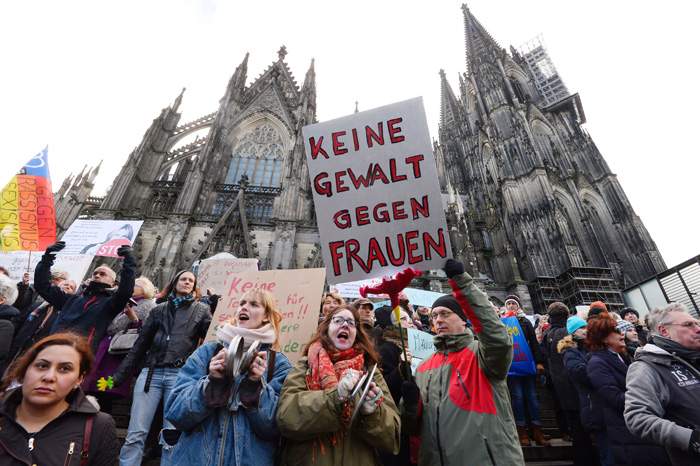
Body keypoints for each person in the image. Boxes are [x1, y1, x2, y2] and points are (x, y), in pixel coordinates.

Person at [402, 259, 524, 465]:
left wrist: (463, 283)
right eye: (434, 316)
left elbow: (497, 336)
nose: (438, 320)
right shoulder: (423, 368)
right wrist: (410, 406)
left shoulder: (482, 356)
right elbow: (413, 428)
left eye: (445, 314)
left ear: (463, 318)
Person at [163, 289, 292, 465]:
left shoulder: (278, 364)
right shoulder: (207, 352)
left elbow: (275, 428)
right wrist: (211, 384)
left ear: (266, 317)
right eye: (241, 303)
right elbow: (175, 413)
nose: (244, 308)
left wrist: (256, 388)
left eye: (254, 304)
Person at [276, 304, 400, 465]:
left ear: (356, 333)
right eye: (338, 320)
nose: (345, 324)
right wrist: (335, 398)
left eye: (351, 322)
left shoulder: (370, 371)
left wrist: (372, 414)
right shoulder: (306, 365)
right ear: (326, 329)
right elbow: (286, 417)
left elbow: (393, 438)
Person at [112, 270, 212, 466]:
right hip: (151, 373)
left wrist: (217, 306)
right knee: (136, 431)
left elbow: (211, 337)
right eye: (184, 279)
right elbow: (140, 345)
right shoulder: (158, 310)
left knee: (171, 434)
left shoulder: (201, 310)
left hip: (179, 376)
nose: (187, 282)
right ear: (175, 283)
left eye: (191, 280)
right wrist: (117, 377)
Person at [0, 332, 119, 465]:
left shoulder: (98, 427)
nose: (49, 377)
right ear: (25, 370)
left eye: (64, 369)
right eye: (42, 366)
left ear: (79, 379)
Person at [586, 312, 670, 466]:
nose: (621, 333)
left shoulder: (622, 355)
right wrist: (649, 396)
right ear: (604, 338)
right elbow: (614, 397)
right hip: (623, 427)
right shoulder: (597, 362)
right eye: (616, 331)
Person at [625, 303, 700, 465]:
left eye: (697, 323)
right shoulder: (646, 367)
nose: (698, 328)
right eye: (688, 325)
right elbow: (637, 418)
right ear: (664, 331)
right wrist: (692, 439)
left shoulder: (693, 357)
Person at [33, 241, 136, 352]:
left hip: (79, 354)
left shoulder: (110, 304)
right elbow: (42, 286)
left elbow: (125, 291)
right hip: (52, 347)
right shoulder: (71, 299)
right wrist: (47, 257)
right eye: (95, 273)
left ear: (113, 283)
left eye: (102, 274)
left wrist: (129, 261)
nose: (97, 275)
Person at [83, 276, 157, 412]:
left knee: (107, 389)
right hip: (106, 349)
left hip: (120, 353)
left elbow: (148, 331)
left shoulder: (148, 305)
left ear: (145, 289)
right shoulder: (125, 302)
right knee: (94, 385)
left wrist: (135, 320)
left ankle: (102, 416)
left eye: (135, 285)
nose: (131, 287)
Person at [503, 294, 548, 447]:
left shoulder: (525, 322)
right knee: (518, 398)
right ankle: (522, 431)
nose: (510, 306)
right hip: (512, 367)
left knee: (532, 398)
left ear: (518, 306)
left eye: (513, 303)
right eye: (508, 303)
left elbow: (534, 343)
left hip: (527, 364)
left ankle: (537, 431)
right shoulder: (502, 322)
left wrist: (539, 362)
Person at [6, 280, 77, 374]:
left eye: (71, 287)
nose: (68, 287)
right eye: (65, 284)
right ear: (56, 288)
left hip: (39, 353)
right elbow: (20, 322)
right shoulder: (37, 305)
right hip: (17, 348)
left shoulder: (67, 314)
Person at [558, 316, 602, 465]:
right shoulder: (570, 351)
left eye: (586, 327)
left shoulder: (592, 346)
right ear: (573, 333)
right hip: (580, 399)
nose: (586, 330)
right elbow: (578, 372)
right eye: (581, 328)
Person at [376, 306, 414, 466]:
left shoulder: (411, 344)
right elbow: (385, 387)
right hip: (398, 422)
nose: (410, 322)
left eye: (409, 318)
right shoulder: (387, 349)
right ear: (393, 325)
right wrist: (401, 369)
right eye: (404, 319)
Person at [541, 301, 577, 441]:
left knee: (560, 407)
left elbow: (544, 354)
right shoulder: (568, 332)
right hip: (570, 378)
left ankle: (565, 432)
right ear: (566, 315)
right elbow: (571, 354)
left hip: (555, 377)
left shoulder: (547, 333)